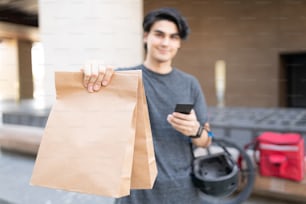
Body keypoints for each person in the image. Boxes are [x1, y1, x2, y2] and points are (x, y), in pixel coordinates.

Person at [82, 7, 212, 204]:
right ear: (146, 37)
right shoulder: (121, 79)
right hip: (134, 193)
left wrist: (195, 130)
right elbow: (90, 116)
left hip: (182, 191)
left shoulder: (189, 83)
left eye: (173, 37)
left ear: (178, 44)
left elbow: (207, 140)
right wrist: (91, 75)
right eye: (159, 34)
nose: (165, 42)